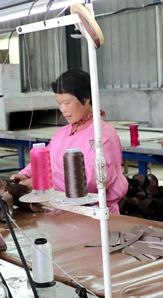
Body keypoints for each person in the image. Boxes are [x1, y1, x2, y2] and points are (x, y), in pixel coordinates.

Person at [11, 69, 128, 214]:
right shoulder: (62, 133)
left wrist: (40, 183)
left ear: (86, 99)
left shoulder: (102, 135)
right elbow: (47, 161)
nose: (63, 109)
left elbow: (91, 182)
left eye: (67, 103)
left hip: (95, 215)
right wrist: (27, 174)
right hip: (61, 211)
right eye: (59, 103)